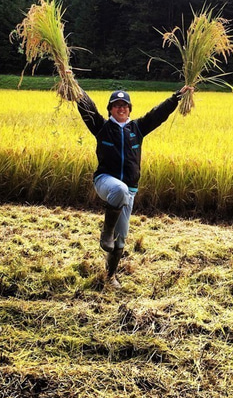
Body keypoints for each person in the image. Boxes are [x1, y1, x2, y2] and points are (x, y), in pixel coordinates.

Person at [76, 85, 192, 288]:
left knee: (121, 240)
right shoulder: (102, 128)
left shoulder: (137, 129)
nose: (121, 109)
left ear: (129, 109)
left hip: (129, 190)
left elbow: (158, 114)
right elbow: (88, 108)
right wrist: (72, 84)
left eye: (124, 106)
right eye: (116, 105)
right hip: (105, 181)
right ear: (110, 109)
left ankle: (110, 275)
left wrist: (177, 97)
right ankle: (106, 233)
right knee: (118, 190)